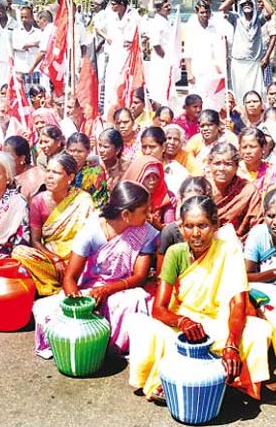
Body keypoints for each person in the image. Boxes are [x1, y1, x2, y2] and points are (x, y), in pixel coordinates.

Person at [129, 194, 272, 401]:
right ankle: (207, 376)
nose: (195, 234)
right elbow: (159, 308)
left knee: (258, 331)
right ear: (181, 228)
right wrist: (182, 321)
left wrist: (232, 343)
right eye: (189, 226)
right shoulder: (175, 253)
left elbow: (237, 303)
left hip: (220, 323)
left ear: (215, 226)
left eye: (202, 226)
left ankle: (199, 376)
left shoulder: (228, 251)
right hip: (184, 325)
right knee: (144, 328)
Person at [32, 180, 159, 358]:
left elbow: (139, 276)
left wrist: (107, 290)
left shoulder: (146, 233)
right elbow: (70, 278)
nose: (149, 215)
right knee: (44, 309)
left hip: (121, 291)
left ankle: (108, 346)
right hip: (90, 290)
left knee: (136, 299)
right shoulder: (91, 231)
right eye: (145, 211)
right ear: (126, 215)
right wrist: (77, 305)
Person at [11, 153, 96, 296]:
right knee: (19, 252)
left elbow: (89, 239)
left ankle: (68, 282)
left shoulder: (83, 200)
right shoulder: (38, 201)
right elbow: (35, 241)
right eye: (48, 171)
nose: (49, 176)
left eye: (55, 172)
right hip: (51, 260)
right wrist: (55, 259)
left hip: (77, 260)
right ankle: (56, 287)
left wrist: (71, 261)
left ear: (70, 178)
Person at [207, 142, 263, 241]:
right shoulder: (201, 187)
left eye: (228, 164)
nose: (222, 169)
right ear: (209, 165)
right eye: (217, 163)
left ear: (237, 166)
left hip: (237, 246)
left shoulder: (248, 191)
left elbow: (257, 226)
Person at [231, 0, 274, 102]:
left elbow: (270, 11)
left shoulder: (258, 21)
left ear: (254, 6)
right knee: (239, 93)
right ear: (240, 6)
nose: (247, 5)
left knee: (256, 92)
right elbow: (223, 8)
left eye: (250, 3)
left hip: (254, 63)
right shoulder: (235, 19)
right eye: (244, 4)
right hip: (239, 63)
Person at [184, 0, 227, 110]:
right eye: (202, 12)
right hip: (197, 70)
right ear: (196, 13)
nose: (205, 15)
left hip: (213, 71)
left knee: (213, 101)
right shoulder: (191, 28)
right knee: (197, 100)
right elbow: (187, 52)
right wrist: (189, 72)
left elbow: (220, 48)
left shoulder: (215, 28)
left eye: (207, 12)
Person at [123, 154, 175, 231]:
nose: (152, 181)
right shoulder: (126, 196)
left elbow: (171, 229)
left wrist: (156, 224)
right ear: (138, 178)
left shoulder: (167, 197)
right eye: (147, 177)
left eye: (156, 176)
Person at [66, 132, 108, 210]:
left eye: (80, 151)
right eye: (71, 151)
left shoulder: (96, 171)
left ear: (88, 151)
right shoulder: (62, 169)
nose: (75, 154)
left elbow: (101, 201)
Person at [3, 135, 44, 203]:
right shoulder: (3, 174)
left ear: (22, 158)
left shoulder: (37, 177)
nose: (4, 159)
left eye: (9, 157)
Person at [97, 128, 127, 193]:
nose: (101, 150)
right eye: (99, 145)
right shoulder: (93, 164)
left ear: (118, 149)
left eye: (105, 147)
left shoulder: (126, 168)